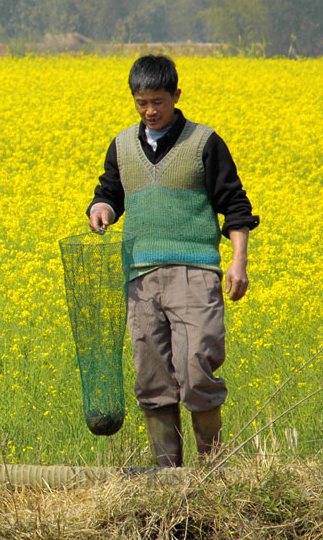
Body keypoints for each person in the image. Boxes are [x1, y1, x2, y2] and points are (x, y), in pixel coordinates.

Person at [87, 54, 259, 467]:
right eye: (142, 102)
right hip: (141, 279)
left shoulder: (204, 142)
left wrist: (239, 262)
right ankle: (166, 480)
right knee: (152, 379)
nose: (150, 111)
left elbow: (234, 206)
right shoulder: (123, 145)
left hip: (194, 273)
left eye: (158, 102)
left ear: (176, 96)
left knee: (198, 367)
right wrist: (102, 209)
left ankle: (213, 473)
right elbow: (110, 191)